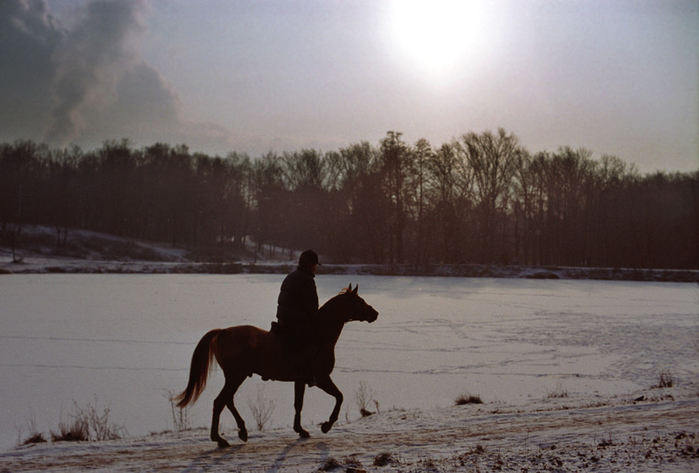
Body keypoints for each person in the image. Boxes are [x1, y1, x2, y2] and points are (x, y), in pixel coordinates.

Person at [274, 249, 321, 386]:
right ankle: (304, 372)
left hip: (283, 320)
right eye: (315, 265)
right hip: (295, 323)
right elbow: (312, 307)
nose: (315, 268)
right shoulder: (307, 280)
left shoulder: (291, 276)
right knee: (313, 342)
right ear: (310, 265)